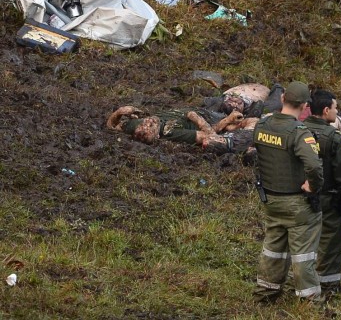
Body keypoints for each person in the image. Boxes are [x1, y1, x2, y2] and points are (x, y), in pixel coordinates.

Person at [253, 81, 324, 302]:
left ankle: (266, 291)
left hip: (271, 199)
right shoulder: (300, 133)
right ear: (304, 106)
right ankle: (310, 299)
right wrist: (313, 185)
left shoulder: (262, 126)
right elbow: (313, 165)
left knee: (273, 247)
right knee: (303, 253)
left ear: (282, 98)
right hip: (297, 203)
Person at [303, 90, 341, 296]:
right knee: (330, 242)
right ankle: (327, 285)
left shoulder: (297, 130)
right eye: (335, 108)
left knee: (303, 238)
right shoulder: (334, 138)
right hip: (329, 197)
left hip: (299, 194)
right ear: (326, 111)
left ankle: (300, 279)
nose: (337, 111)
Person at [106, 106, 257, 153]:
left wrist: (118, 113)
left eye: (146, 123)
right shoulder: (172, 133)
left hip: (202, 109)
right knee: (252, 121)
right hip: (210, 119)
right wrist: (226, 120)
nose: (148, 123)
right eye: (150, 127)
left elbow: (111, 127)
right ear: (156, 135)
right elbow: (208, 135)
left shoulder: (136, 126)